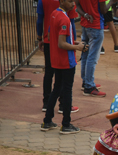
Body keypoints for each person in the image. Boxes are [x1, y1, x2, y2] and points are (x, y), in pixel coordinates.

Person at [40, 0, 86, 134]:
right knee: (67, 92)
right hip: (66, 61)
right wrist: (77, 47)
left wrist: (73, 42)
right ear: (62, 1)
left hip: (56, 60)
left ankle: (47, 121)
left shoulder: (54, 14)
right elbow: (61, 43)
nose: (73, 4)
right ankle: (66, 124)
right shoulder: (64, 19)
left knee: (56, 89)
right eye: (70, 1)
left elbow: (50, 36)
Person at [36, 0, 79, 114]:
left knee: (49, 72)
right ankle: (63, 105)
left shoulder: (43, 1)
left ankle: (46, 102)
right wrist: (73, 43)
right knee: (64, 78)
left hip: (49, 41)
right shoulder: (67, 4)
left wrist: (39, 37)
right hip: (63, 42)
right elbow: (72, 23)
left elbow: (40, 21)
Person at [75, 0, 108, 97]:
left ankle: (86, 81)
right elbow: (104, 10)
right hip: (96, 25)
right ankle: (89, 85)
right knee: (92, 57)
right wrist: (112, 2)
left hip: (85, 24)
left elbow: (77, 5)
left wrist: (85, 14)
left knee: (85, 54)